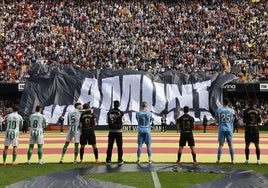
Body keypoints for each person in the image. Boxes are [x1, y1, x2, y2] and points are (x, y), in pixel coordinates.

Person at [215, 98, 235, 164]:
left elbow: (217, 119)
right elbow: (233, 119)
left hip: (221, 128)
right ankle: (232, 160)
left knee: (220, 145)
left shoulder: (219, 109)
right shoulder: (231, 110)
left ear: (223, 102)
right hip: (229, 128)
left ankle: (218, 160)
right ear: (228, 103)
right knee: (230, 145)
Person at [243, 100, 262, 165]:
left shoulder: (245, 111)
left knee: (247, 144)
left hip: (248, 128)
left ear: (248, 104)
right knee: (257, 144)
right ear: (254, 104)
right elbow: (259, 121)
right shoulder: (258, 111)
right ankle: (258, 160)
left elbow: (244, 121)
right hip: (255, 128)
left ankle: (247, 160)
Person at [106, 100, 125, 165]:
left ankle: (108, 160)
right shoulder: (121, 112)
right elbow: (123, 122)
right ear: (119, 105)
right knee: (119, 146)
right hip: (119, 131)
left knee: (110, 146)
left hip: (111, 131)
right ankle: (120, 160)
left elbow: (107, 121)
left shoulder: (109, 112)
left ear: (113, 104)